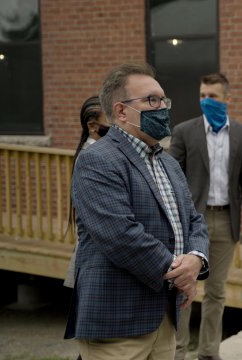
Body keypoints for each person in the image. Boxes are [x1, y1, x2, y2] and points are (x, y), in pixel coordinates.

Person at [64, 63, 210, 360]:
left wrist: (196, 259)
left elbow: (194, 221)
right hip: (118, 322)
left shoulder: (168, 162)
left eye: (163, 100)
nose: (162, 108)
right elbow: (119, 234)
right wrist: (179, 274)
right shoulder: (97, 160)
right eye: (151, 101)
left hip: (165, 321)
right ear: (121, 112)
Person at [168, 72, 242, 360]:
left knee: (216, 292)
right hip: (191, 221)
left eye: (213, 96)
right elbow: (172, 178)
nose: (206, 101)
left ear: (227, 99)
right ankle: (178, 352)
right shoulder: (184, 131)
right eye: (203, 96)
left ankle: (209, 352)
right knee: (184, 287)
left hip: (225, 220)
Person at [63, 95, 110, 289]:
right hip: (96, 259)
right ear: (92, 126)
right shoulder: (92, 159)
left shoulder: (104, 153)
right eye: (111, 119)